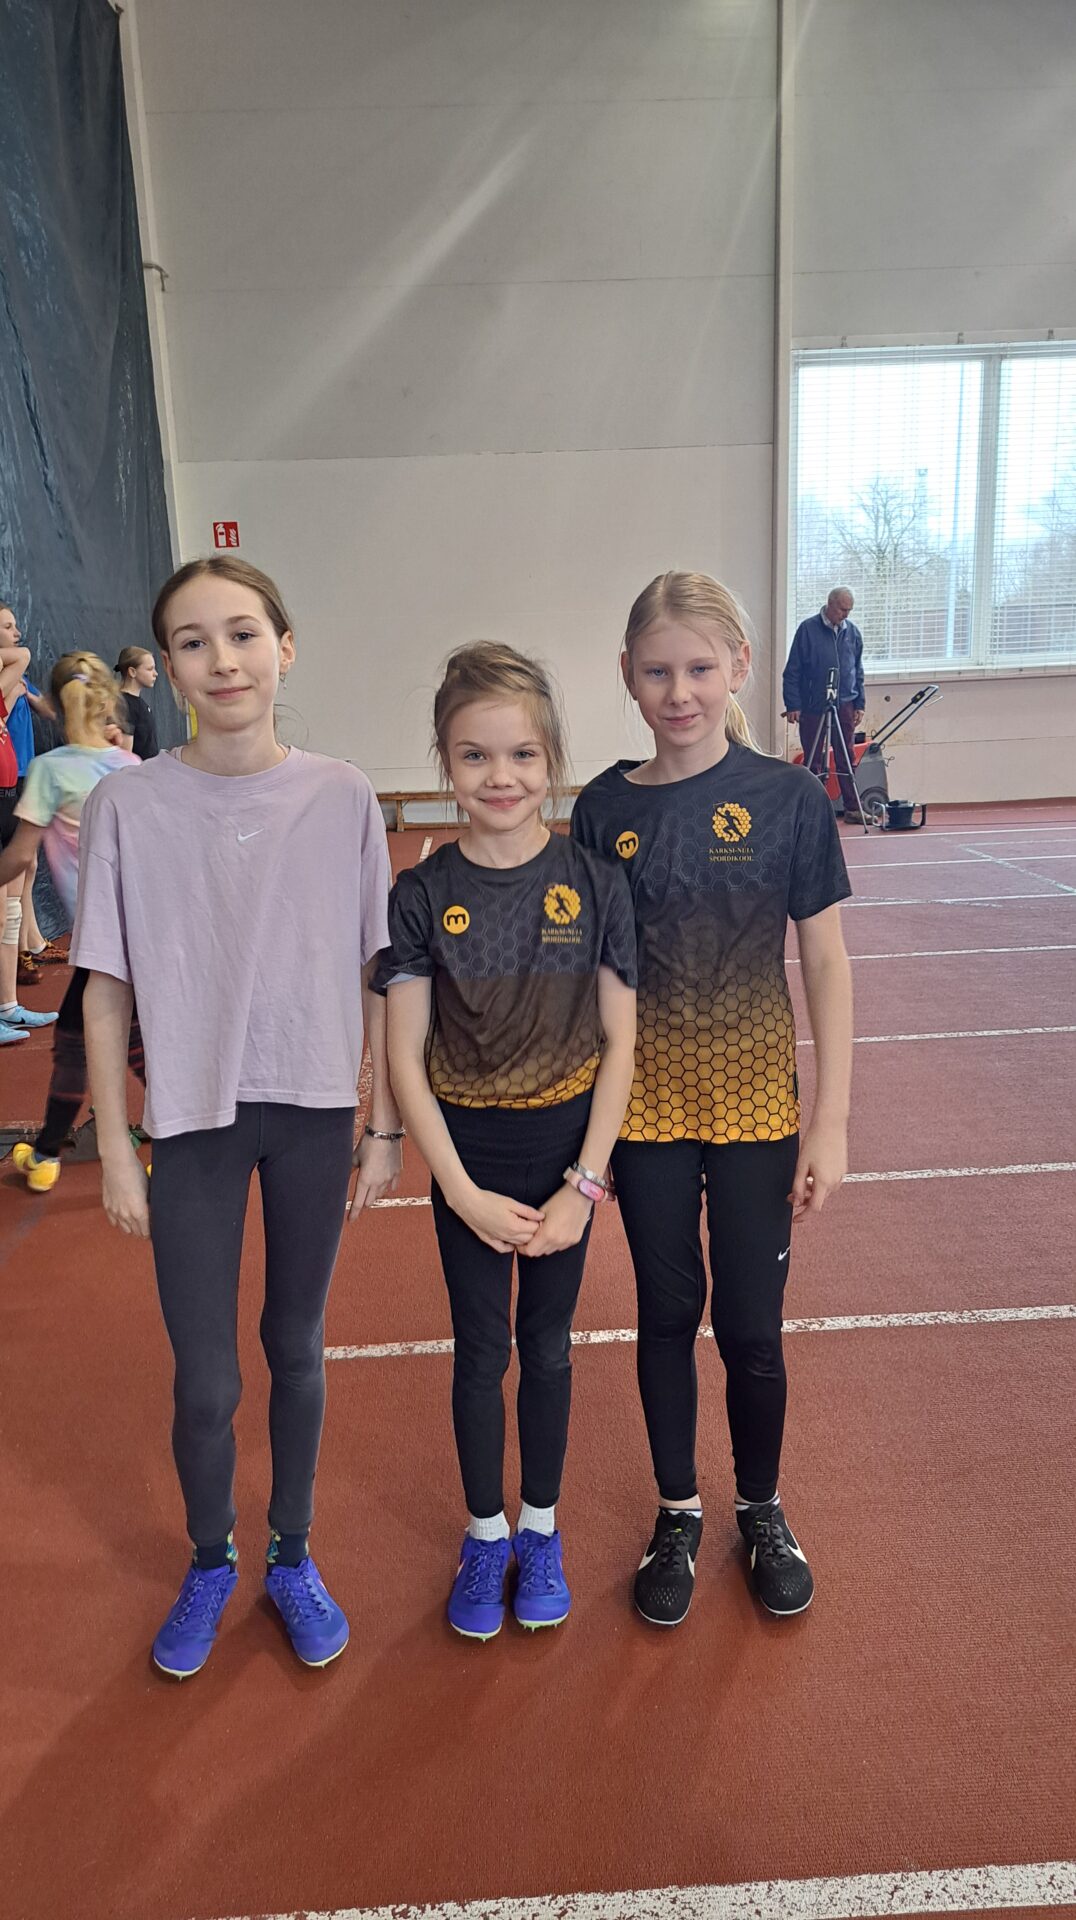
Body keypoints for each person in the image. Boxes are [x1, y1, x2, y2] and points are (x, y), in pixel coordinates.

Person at [73, 555, 401, 1682]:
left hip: (312, 1111)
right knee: (207, 1377)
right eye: (193, 641)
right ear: (166, 670)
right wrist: (118, 1147)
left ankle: (291, 1554)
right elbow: (104, 984)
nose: (223, 660)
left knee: (295, 1346)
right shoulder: (127, 803)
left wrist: (382, 1125)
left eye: (244, 633)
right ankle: (211, 1558)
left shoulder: (342, 796)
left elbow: (377, 970)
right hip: (193, 1121)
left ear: (285, 649)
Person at [571, 571, 853, 1625]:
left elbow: (824, 962)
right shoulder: (602, 809)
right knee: (664, 1313)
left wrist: (828, 1121)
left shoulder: (787, 799)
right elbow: (590, 973)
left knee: (749, 1328)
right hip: (641, 1113)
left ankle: (761, 1507)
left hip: (754, 1109)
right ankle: (677, 1511)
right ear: (627, 676)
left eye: (698, 668)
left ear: (738, 665)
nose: (678, 691)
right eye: (657, 672)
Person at [376, 642, 637, 1641]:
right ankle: (485, 1535)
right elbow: (405, 1056)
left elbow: (619, 1042)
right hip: (468, 1163)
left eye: (522, 755)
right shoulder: (420, 891)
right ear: (444, 762)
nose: (501, 777)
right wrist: (456, 1189)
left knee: (548, 1347)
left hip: (565, 1154)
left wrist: (584, 1185)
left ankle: (541, 1528)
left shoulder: (594, 882)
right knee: (481, 1350)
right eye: (475, 756)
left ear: (551, 758)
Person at [0, 654, 136, 1143]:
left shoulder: (49, 769)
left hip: (104, 938)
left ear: (54, 707)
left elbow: (20, 855)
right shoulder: (129, 765)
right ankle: (50, 1148)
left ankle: (49, 1151)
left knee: (82, 1043)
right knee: (119, 1036)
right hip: (137, 927)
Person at [0, 601, 67, 981]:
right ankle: (19, 953)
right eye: (7, 627)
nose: (17, 633)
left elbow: (49, 712)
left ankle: (32, 942)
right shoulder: (8, 678)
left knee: (29, 864)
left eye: (15, 625)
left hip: (22, 772)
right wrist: (12, 692)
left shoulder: (19, 678)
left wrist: (29, 693)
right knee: (16, 865)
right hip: (7, 782)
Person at [783, 586, 866, 824]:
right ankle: (813, 812)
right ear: (830, 604)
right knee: (813, 760)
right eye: (842, 609)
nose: (846, 615)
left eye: (849, 610)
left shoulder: (853, 632)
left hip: (845, 703)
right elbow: (792, 671)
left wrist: (859, 703)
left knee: (846, 757)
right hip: (813, 704)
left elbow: (857, 670)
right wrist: (793, 704)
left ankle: (853, 809)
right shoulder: (808, 630)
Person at [115, 646, 160, 760]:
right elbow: (126, 756)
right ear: (132, 672)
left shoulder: (138, 703)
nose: (155, 674)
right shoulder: (124, 705)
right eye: (150, 669)